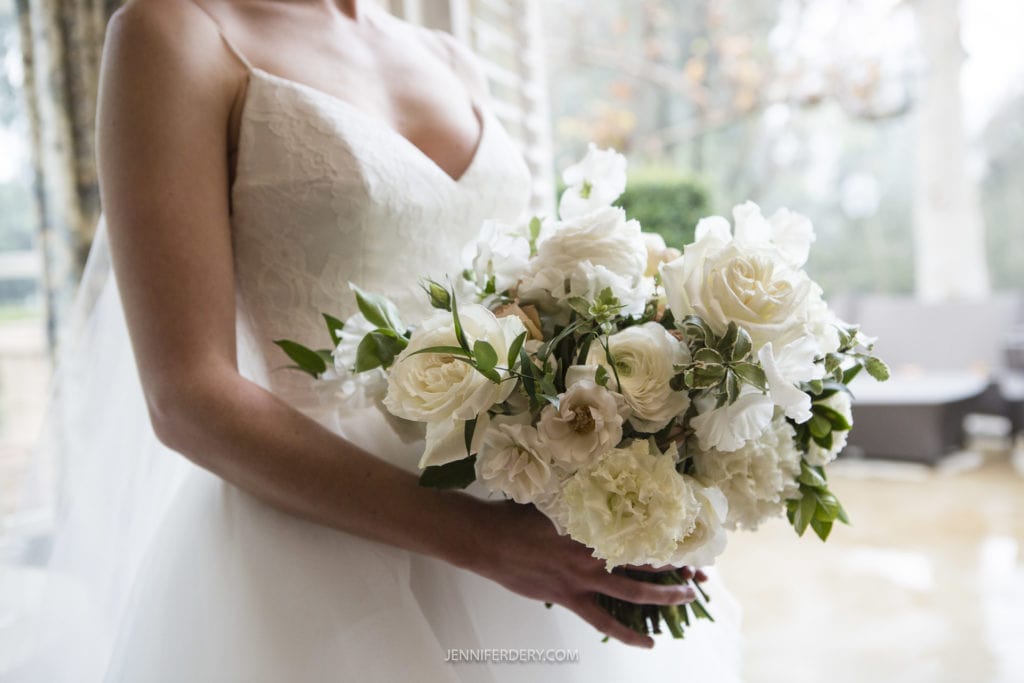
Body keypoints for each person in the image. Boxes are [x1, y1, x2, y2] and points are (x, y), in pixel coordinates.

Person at [11, 0, 743, 680]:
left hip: (516, 521)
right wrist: (483, 541)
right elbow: (186, 395)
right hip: (314, 552)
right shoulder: (174, 31)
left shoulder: (448, 57)